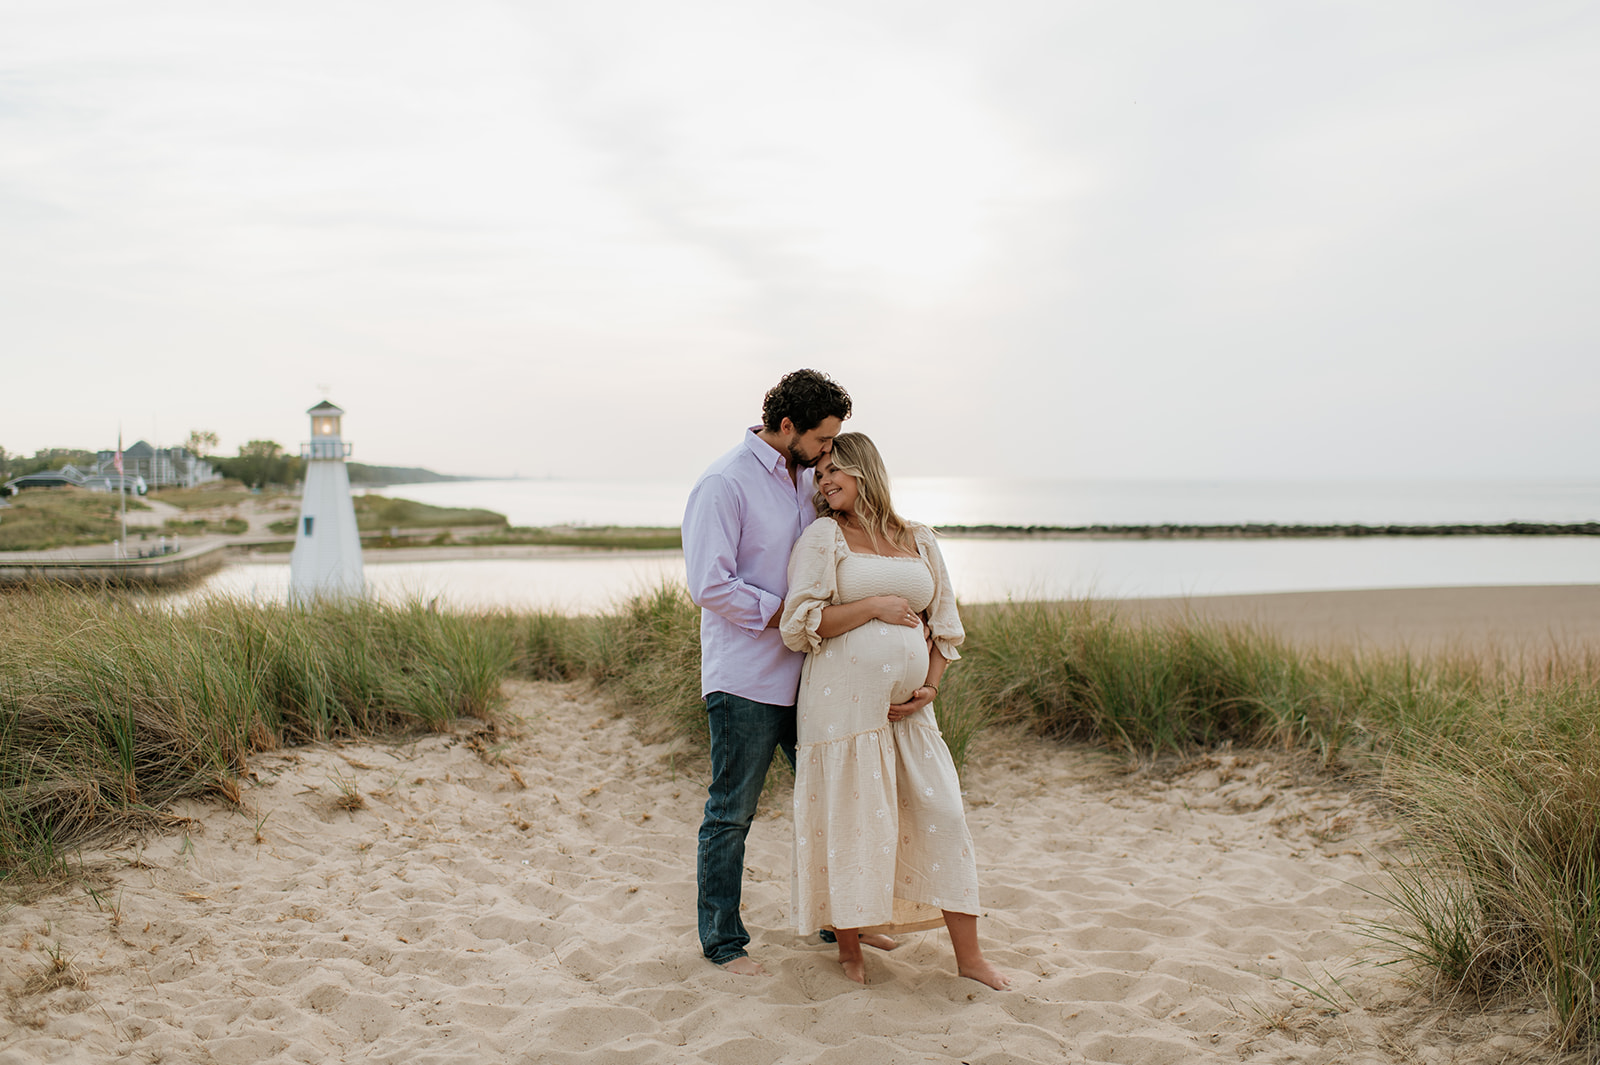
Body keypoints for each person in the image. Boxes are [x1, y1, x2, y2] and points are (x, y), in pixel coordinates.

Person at [780, 433, 1010, 989]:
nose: (824, 479)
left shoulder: (920, 539)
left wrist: (929, 686)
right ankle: (851, 950)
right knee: (854, 821)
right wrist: (872, 607)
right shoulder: (823, 537)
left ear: (866, 470)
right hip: (841, 715)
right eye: (819, 473)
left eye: (835, 469)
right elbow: (799, 626)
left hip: (912, 715)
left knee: (944, 814)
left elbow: (945, 626)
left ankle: (970, 956)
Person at [682, 368, 855, 976]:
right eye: (824, 440)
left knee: (832, 801)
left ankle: (844, 927)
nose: (829, 452)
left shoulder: (809, 478)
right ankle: (724, 944)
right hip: (747, 679)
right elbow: (709, 583)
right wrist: (788, 614)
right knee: (732, 813)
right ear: (788, 427)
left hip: (812, 676)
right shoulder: (723, 483)